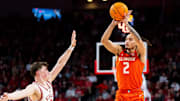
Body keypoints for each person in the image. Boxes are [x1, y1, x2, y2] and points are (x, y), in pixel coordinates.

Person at [0, 30, 77, 101]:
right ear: (38, 72)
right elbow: (22, 93)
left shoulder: (48, 80)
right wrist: (9, 96)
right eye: (45, 70)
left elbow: (60, 63)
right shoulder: (34, 88)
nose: (48, 72)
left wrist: (71, 47)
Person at [101, 11, 146, 101]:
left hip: (136, 94)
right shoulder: (119, 51)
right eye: (126, 39)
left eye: (130, 39)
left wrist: (127, 25)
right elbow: (104, 41)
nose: (126, 41)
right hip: (121, 93)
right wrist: (112, 24)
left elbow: (139, 40)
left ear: (135, 43)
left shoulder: (140, 53)